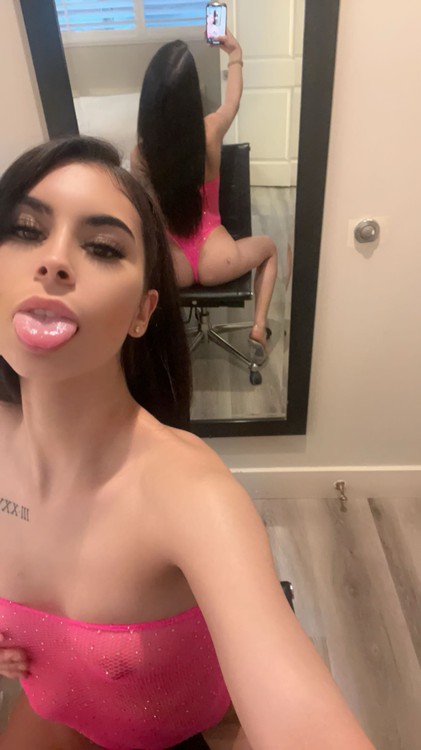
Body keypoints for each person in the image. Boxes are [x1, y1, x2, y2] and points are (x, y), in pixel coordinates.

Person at [0, 136, 375, 750]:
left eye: (101, 246)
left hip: (187, 731)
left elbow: (299, 715)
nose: (54, 261)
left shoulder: (192, 493)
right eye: (24, 230)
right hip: (59, 709)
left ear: (142, 312)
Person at [131, 32, 277, 365]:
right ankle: (258, 328)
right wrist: (235, 54)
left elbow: (144, 214)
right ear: (191, 99)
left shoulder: (141, 154)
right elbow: (232, 102)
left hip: (174, 267)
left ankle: (152, 341)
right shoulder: (210, 131)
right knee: (269, 248)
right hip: (217, 256)